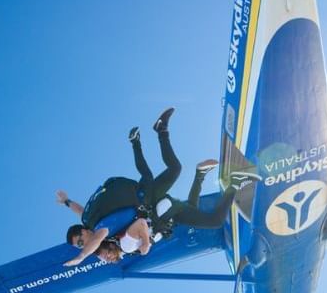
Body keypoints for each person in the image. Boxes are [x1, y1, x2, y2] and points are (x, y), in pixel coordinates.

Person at [59, 108, 259, 266]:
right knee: (188, 197)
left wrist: (81, 257)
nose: (83, 246)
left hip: (150, 202)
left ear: (85, 233)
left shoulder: (102, 230)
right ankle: (195, 168)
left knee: (175, 171)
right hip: (159, 210)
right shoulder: (93, 223)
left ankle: (157, 135)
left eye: (81, 242)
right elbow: (82, 213)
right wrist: (67, 202)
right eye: (80, 246)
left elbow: (118, 229)